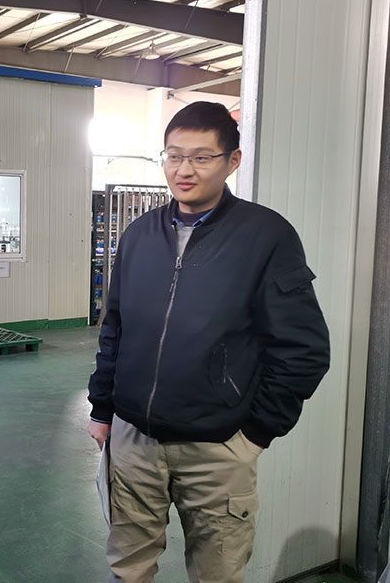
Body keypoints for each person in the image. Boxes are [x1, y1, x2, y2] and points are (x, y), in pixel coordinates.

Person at [87, 102, 330, 583]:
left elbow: (303, 349)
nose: (184, 170)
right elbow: (115, 327)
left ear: (232, 161)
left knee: (216, 574)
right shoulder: (138, 235)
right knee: (127, 569)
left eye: (201, 157)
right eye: (174, 156)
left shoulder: (266, 236)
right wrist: (102, 409)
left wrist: (255, 434)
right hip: (135, 440)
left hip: (216, 448)